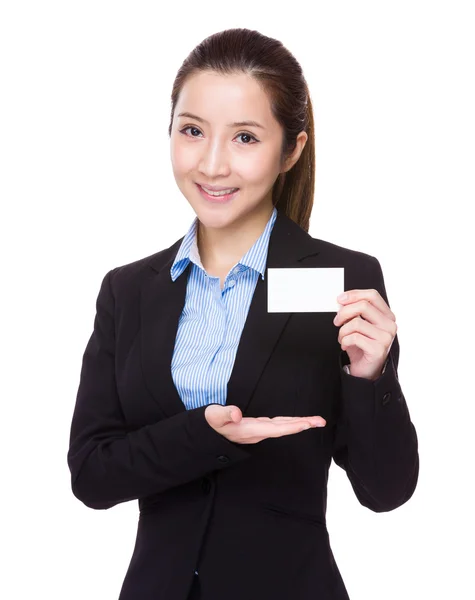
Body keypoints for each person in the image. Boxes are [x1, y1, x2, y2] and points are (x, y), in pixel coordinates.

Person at [67, 27, 419, 600]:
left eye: (246, 138)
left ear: (292, 150)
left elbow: (385, 491)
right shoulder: (128, 291)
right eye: (192, 131)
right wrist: (203, 434)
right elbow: (92, 474)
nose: (211, 163)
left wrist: (372, 376)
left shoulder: (344, 282)